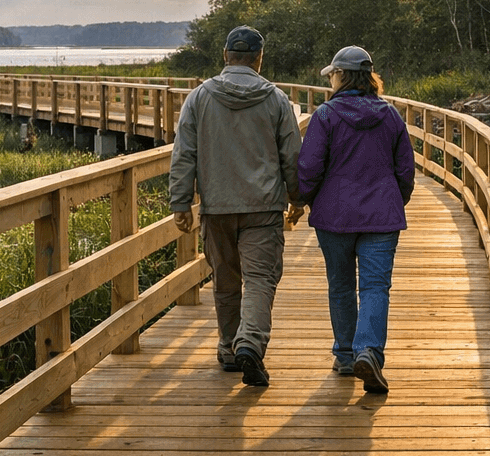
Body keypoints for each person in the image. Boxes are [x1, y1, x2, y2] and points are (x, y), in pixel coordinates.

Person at [170, 26, 303, 387]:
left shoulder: (198, 98)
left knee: (226, 281)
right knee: (261, 279)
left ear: (226, 56)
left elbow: (184, 153)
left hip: (217, 206)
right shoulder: (276, 99)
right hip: (263, 207)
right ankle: (250, 344)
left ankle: (230, 347)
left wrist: (181, 201)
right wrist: (297, 197)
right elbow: (292, 154)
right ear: (259, 58)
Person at [295, 45, 414, 394]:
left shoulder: (326, 115)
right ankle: (369, 351)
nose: (331, 79)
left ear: (342, 75)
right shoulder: (390, 115)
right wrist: (395, 200)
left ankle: (347, 355)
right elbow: (405, 169)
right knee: (376, 286)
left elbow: (310, 165)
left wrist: (305, 198)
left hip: (334, 215)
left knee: (342, 285)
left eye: (332, 73)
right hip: (381, 216)